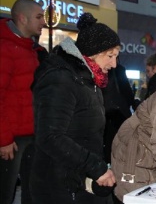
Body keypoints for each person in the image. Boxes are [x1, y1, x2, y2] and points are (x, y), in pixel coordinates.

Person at [30, 12, 119, 203]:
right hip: (58, 184)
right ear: (92, 53)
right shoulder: (61, 79)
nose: (114, 64)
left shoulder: (90, 81)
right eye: (110, 56)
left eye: (116, 56)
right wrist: (96, 166)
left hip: (80, 179)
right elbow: (50, 136)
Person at [0, 0, 47, 204]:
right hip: (11, 140)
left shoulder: (31, 50)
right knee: (5, 192)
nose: (44, 22)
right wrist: (4, 139)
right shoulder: (5, 49)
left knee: (32, 191)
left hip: (30, 135)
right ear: (22, 18)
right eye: (38, 17)